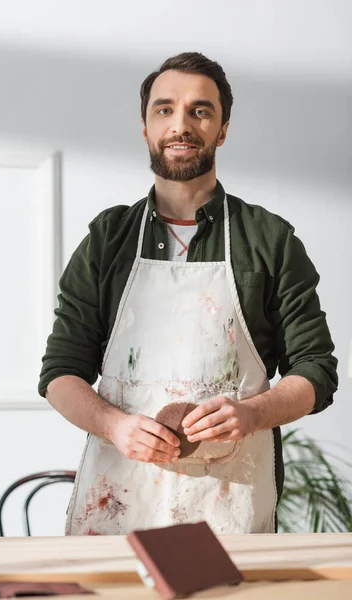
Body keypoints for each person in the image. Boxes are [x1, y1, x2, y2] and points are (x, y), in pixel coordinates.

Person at [38, 52, 338, 535]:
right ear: (145, 128)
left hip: (229, 508)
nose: (181, 124)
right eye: (164, 109)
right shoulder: (107, 239)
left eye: (200, 110)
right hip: (117, 503)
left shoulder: (270, 240)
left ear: (222, 130)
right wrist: (117, 426)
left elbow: (316, 371)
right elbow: (59, 374)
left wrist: (250, 413)